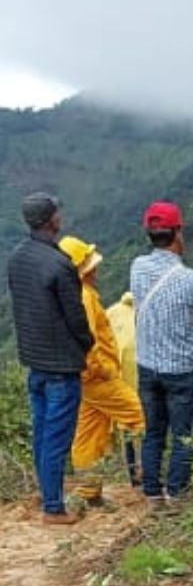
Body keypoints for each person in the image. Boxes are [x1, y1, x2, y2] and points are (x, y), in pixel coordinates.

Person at [5, 193, 92, 524]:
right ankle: (53, 508)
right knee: (57, 436)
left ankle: (47, 492)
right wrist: (86, 344)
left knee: (42, 431)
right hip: (61, 364)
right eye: (58, 212)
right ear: (51, 219)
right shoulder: (58, 263)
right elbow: (75, 316)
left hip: (34, 360)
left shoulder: (18, 257)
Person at [129, 201, 193, 505]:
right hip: (180, 369)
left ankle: (152, 494)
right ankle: (176, 494)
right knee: (184, 435)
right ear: (178, 232)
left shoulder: (137, 267)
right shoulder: (191, 279)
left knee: (154, 432)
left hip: (147, 366)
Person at [58, 237, 145, 504]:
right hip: (98, 378)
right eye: (90, 264)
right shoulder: (83, 296)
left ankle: (88, 492)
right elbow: (88, 340)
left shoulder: (72, 293)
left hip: (83, 379)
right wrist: (103, 369)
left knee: (89, 435)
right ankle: (155, 478)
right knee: (142, 416)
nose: (95, 269)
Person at [105, 292, 141, 485]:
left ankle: (133, 475)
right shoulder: (150, 310)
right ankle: (148, 473)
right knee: (147, 425)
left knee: (126, 426)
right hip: (147, 381)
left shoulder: (111, 313)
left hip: (120, 382)